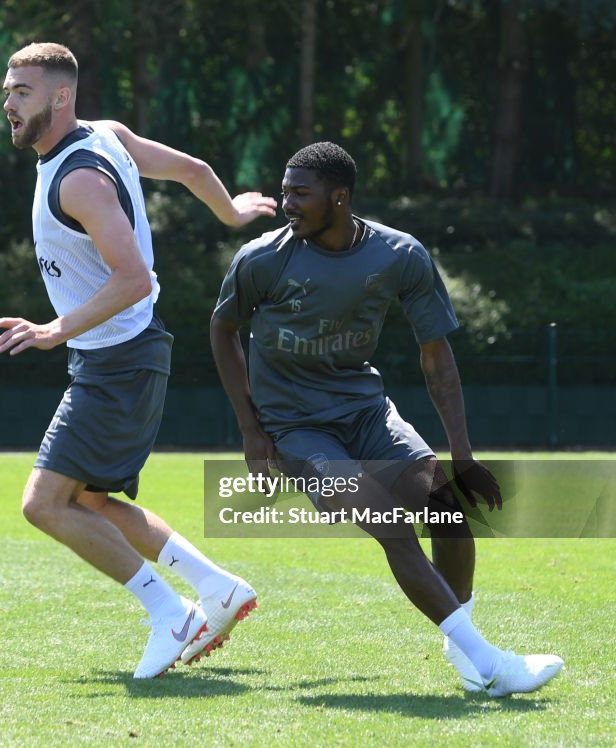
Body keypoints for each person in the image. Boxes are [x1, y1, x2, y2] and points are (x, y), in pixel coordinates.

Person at [209, 141, 564, 696]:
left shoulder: (399, 254)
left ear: (340, 196)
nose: (287, 204)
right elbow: (222, 329)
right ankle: (492, 666)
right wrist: (252, 429)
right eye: (284, 193)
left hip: (367, 412)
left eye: (300, 193)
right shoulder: (261, 259)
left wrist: (464, 456)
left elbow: (437, 357)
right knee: (392, 527)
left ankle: (463, 647)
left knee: (448, 511)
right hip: (299, 430)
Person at [0, 42, 277, 679]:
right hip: (122, 358)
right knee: (87, 501)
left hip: (117, 362)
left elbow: (134, 279)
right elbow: (195, 169)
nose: (8, 104)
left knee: (44, 504)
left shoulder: (79, 177)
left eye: (22, 92)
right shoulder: (106, 135)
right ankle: (217, 589)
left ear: (60, 98)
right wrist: (232, 212)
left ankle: (171, 616)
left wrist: (50, 330)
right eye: (8, 91)